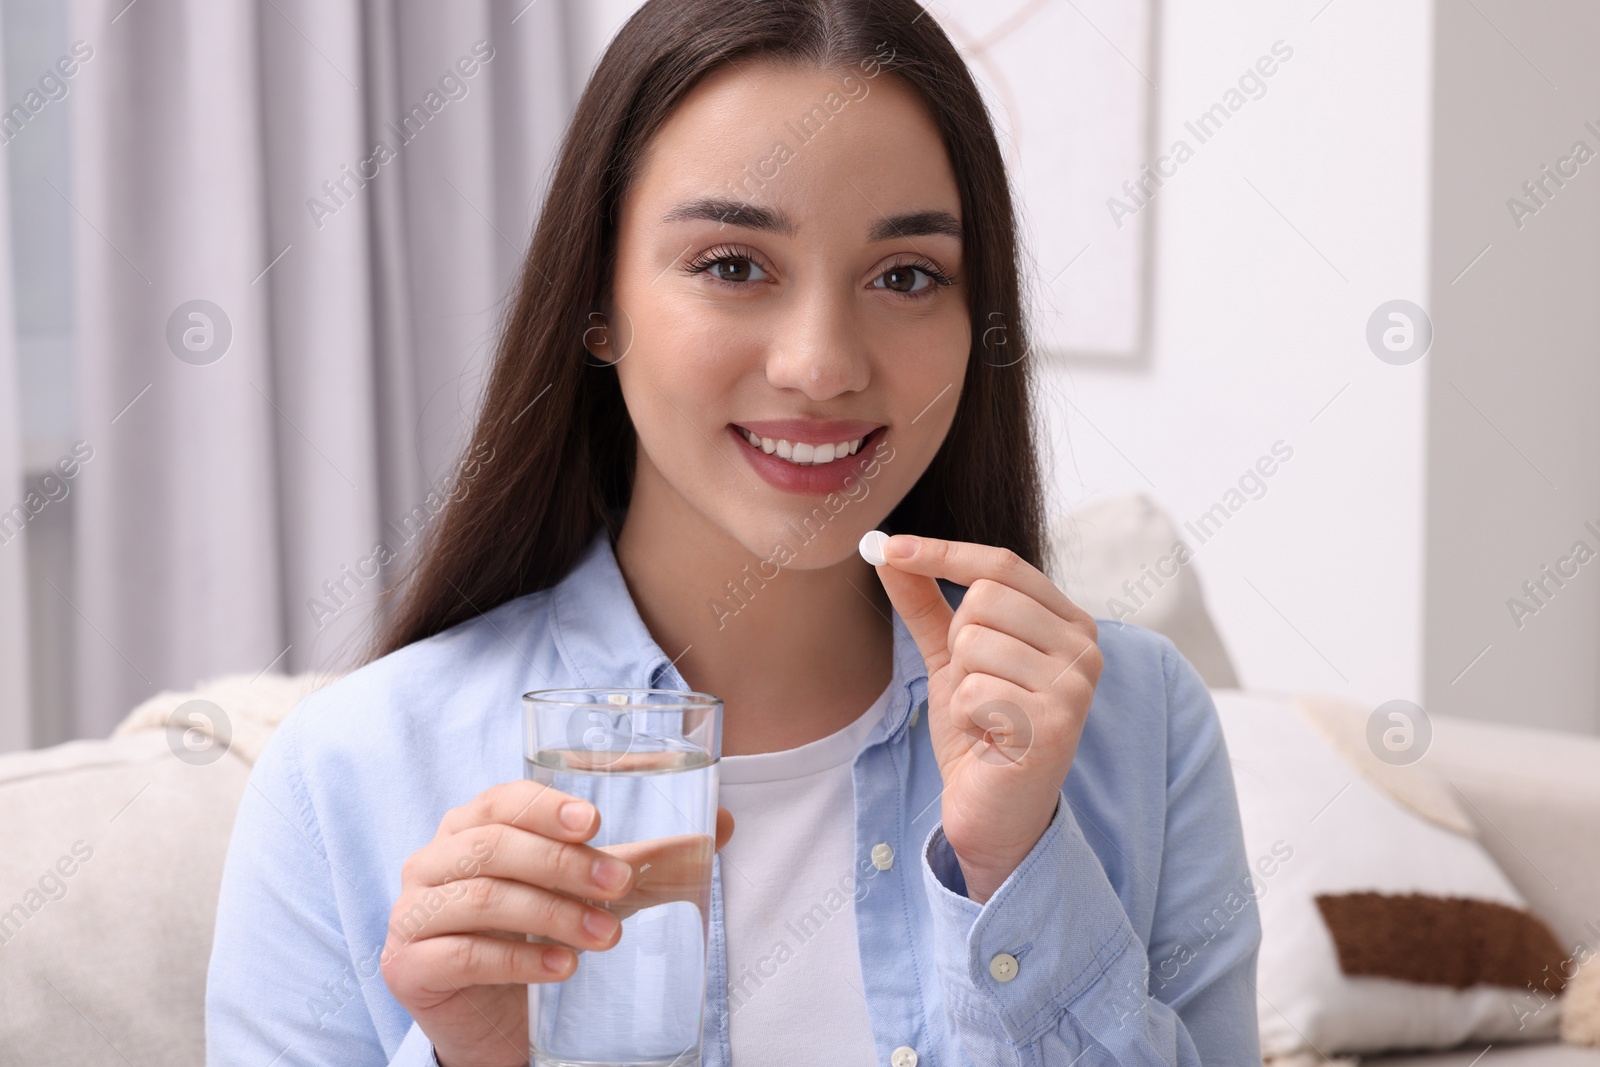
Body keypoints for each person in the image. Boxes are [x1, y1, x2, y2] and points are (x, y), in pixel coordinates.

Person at [205, 1, 1262, 1064]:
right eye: (731, 264)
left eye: (905, 276)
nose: (820, 363)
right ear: (598, 300)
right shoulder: (341, 776)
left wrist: (1019, 874)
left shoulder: (1139, 725)